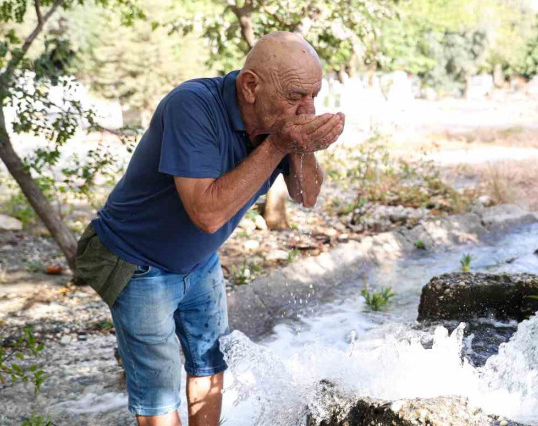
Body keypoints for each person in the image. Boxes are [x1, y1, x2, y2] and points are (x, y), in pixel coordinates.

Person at [74, 31, 344, 426]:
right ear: (251, 86)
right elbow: (208, 214)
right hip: (137, 261)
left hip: (199, 260)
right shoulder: (193, 105)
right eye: (296, 97)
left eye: (313, 96)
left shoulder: (278, 121)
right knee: (158, 389)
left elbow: (306, 196)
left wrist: (302, 148)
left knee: (209, 361)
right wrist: (278, 146)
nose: (307, 109)